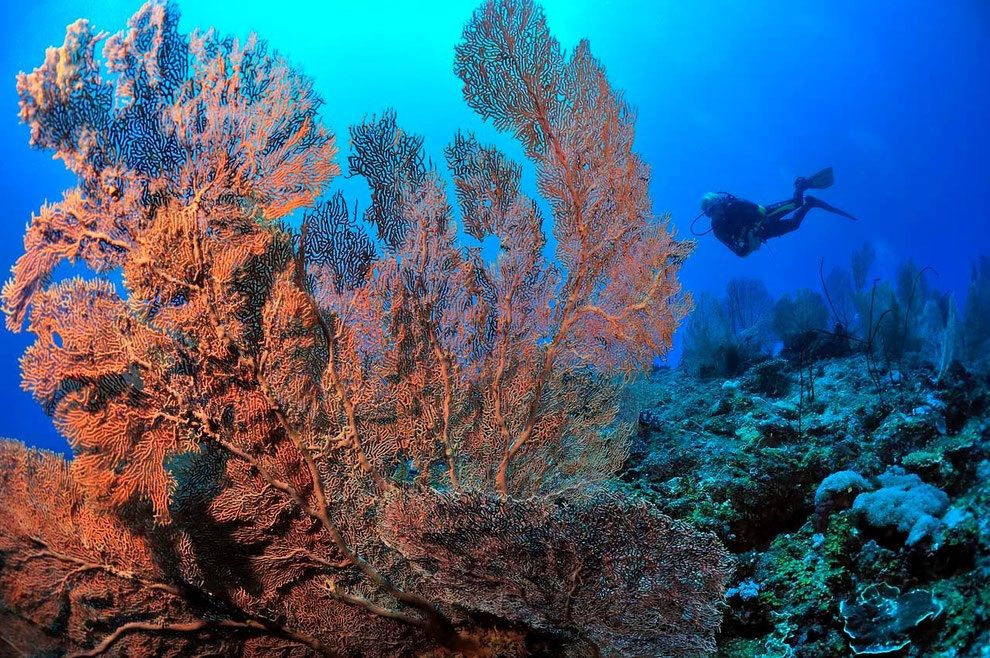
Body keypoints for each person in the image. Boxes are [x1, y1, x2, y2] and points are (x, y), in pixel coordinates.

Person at [696, 167, 856, 257]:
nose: (714, 213)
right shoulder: (718, 230)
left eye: (714, 207)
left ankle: (801, 186)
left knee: (796, 202)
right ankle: (810, 203)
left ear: (718, 201)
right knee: (794, 225)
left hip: (765, 215)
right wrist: (751, 244)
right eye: (710, 212)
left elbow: (758, 209)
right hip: (762, 233)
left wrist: (753, 225)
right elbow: (740, 252)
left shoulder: (733, 204)